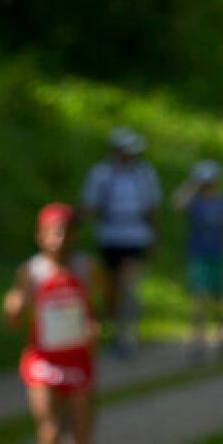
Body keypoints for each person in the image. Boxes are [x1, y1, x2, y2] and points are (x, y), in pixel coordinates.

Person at [3, 203, 97, 444]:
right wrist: (14, 308)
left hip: (79, 360)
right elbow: (14, 315)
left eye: (67, 231)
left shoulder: (87, 268)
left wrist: (95, 327)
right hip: (42, 360)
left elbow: (103, 306)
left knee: (82, 438)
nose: (60, 239)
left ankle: (72, 433)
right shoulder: (32, 272)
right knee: (48, 427)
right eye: (54, 231)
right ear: (40, 236)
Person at [80, 126, 161, 357]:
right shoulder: (101, 174)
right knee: (111, 290)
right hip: (109, 237)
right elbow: (90, 205)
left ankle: (128, 336)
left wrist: (153, 239)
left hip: (135, 238)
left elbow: (152, 209)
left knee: (129, 285)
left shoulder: (144, 174)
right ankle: (114, 333)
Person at [172, 159, 223, 361]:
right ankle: (198, 343)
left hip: (219, 256)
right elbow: (177, 203)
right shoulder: (195, 203)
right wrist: (192, 185)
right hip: (199, 257)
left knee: (220, 302)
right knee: (199, 300)